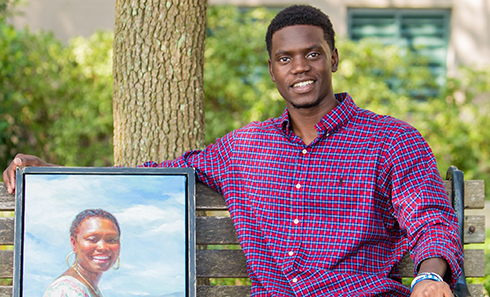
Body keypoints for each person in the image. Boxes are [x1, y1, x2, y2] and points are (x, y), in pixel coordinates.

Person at [3, 5, 462, 297]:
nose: (300, 67)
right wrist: (53, 171)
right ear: (272, 70)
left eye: (313, 54)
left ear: (334, 59)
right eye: (285, 59)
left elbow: (431, 220)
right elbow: (153, 175)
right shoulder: (245, 148)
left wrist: (429, 276)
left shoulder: (390, 139)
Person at [43, 209, 121, 297]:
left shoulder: (90, 287)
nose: (103, 247)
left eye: (111, 240)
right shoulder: (65, 290)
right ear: (74, 243)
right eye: (92, 239)